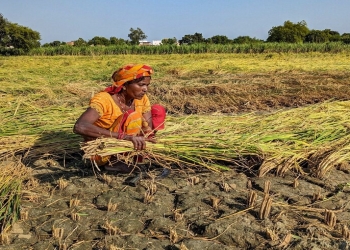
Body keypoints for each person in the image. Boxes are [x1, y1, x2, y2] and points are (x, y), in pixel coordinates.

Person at [73, 64, 166, 173]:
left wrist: (148, 138)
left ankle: (140, 154)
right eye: (141, 85)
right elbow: (80, 126)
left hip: (129, 144)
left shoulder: (141, 99)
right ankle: (115, 162)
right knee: (132, 116)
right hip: (103, 151)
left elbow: (147, 127)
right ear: (124, 85)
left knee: (158, 110)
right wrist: (125, 137)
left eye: (147, 85)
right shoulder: (104, 100)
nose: (145, 89)